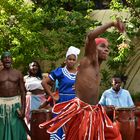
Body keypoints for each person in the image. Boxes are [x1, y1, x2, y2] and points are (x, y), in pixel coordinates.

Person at [40, 20, 125, 140]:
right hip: (82, 112)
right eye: (102, 46)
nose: (107, 50)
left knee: (115, 135)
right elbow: (90, 36)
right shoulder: (89, 60)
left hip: (95, 111)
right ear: (93, 49)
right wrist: (112, 24)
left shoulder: (95, 67)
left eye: (107, 47)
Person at [41, 46, 80, 139]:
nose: (71, 61)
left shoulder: (79, 73)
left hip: (75, 102)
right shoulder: (60, 71)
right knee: (60, 125)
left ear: (76, 61)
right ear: (65, 60)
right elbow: (44, 82)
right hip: (62, 102)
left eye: (73, 59)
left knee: (73, 125)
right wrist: (53, 96)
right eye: (69, 59)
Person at [0, 51, 27, 140]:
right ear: (2, 60)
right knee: (2, 129)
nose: (7, 59)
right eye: (5, 57)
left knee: (16, 129)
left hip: (15, 106)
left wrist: (23, 109)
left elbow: (23, 92)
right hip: (1, 105)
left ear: (12, 60)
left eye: (9, 57)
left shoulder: (18, 73)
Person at [24, 61, 47, 130]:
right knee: (30, 118)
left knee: (41, 117)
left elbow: (50, 86)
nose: (35, 67)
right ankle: (31, 135)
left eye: (36, 66)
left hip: (41, 99)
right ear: (29, 67)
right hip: (30, 99)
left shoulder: (43, 77)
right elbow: (22, 90)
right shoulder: (25, 78)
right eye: (33, 66)